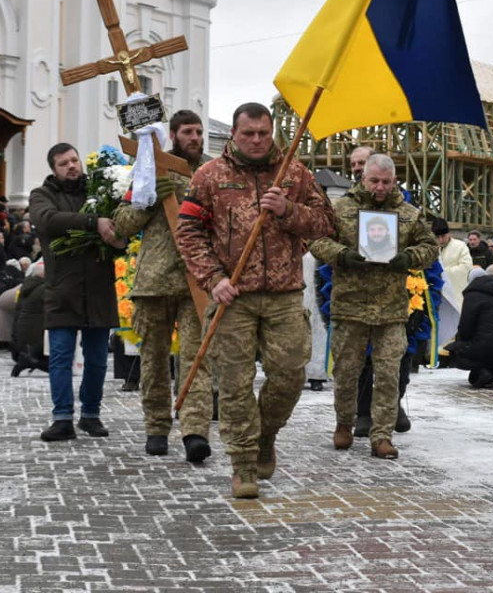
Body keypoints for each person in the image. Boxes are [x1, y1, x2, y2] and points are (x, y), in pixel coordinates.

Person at [176, 102, 336, 498]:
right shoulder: (209, 176)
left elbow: (326, 223)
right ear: (234, 134)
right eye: (248, 134)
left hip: (283, 294)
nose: (257, 141)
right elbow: (189, 231)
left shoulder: (294, 174)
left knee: (289, 375)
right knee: (234, 384)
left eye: (264, 133)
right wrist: (212, 278)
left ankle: (266, 435)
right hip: (234, 297)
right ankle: (244, 463)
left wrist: (288, 210)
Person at [309, 153, 439, 461]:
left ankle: (382, 435)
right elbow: (317, 241)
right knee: (345, 372)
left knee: (388, 374)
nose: (380, 187)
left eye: (385, 181)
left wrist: (410, 257)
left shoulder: (408, 214)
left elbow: (430, 247)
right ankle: (344, 422)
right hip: (349, 307)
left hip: (391, 309)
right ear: (362, 179)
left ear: (394, 181)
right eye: (374, 181)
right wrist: (342, 255)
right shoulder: (341, 209)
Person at [113, 109, 215, 463]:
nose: (196, 138)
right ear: (172, 135)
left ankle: (194, 431)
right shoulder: (150, 170)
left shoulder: (211, 174)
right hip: (155, 280)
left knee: (195, 360)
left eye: (200, 132)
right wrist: (150, 197)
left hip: (196, 282)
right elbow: (121, 222)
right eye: (188, 131)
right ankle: (156, 426)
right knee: (154, 360)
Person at [29, 142, 128, 442]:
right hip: (63, 291)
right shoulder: (42, 195)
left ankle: (90, 415)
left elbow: (119, 223)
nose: (71, 166)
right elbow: (47, 221)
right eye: (63, 163)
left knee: (97, 359)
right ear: (54, 169)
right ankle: (62, 418)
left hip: (98, 289)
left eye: (74, 160)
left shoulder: (98, 191)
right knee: (60, 357)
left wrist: (118, 237)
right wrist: (92, 223)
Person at [11, 260, 48, 376]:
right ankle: (29, 362)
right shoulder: (42, 289)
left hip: (24, 329)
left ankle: (28, 361)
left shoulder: (27, 286)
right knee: (59, 366)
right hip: (36, 331)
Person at [432, 217, 472, 314]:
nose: (441, 240)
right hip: (439, 295)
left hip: (456, 293)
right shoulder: (433, 249)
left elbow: (466, 267)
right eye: (438, 237)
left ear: (449, 233)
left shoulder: (460, 246)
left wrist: (443, 273)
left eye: (443, 236)